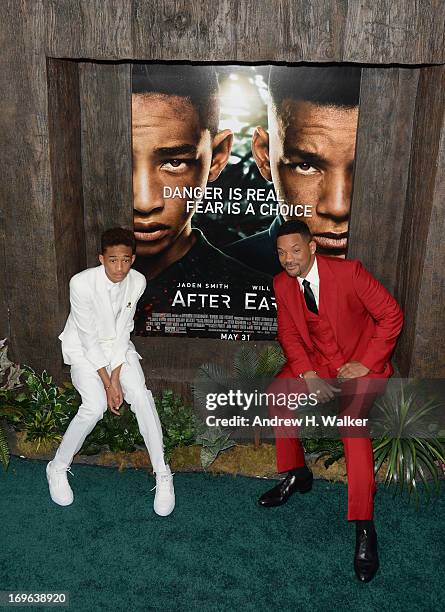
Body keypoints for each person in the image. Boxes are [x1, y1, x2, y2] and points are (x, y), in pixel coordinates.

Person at [258, 220, 403, 582]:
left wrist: (367, 362)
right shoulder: (281, 283)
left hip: (360, 364)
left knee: (352, 428)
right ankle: (298, 473)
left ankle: (364, 525)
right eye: (281, 253)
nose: (288, 259)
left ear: (312, 248)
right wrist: (307, 373)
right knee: (277, 393)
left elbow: (391, 316)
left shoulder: (350, 273)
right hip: (318, 363)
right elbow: (288, 333)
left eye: (295, 250)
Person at [131, 63, 274, 339]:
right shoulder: (72, 280)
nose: (145, 202)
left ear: (217, 157)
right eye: (123, 162)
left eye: (174, 162)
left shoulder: (261, 303)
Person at [46, 227, 175, 516]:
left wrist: (116, 378)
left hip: (118, 348)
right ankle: (57, 467)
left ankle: (163, 473)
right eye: (113, 260)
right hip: (83, 349)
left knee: (140, 397)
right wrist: (107, 384)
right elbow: (89, 338)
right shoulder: (80, 284)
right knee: (93, 407)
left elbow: (122, 331)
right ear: (101, 258)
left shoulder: (138, 281)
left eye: (126, 260)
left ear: (133, 259)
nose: (120, 268)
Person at [224, 65, 361, 275]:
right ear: (265, 157)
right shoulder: (227, 272)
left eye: (362, 166)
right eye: (305, 166)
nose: (337, 208)